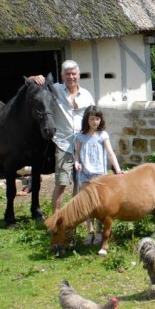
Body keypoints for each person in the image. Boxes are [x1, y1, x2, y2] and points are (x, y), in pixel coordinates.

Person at [28, 60, 95, 212]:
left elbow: (94, 118)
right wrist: (35, 77)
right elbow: (30, 82)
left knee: (81, 182)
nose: (71, 77)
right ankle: (56, 219)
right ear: (62, 75)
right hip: (64, 145)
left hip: (84, 144)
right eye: (67, 74)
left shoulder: (86, 95)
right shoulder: (55, 89)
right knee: (61, 183)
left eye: (74, 73)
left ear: (78, 75)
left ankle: (76, 216)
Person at [73, 106, 123, 248]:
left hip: (100, 175)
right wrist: (76, 163)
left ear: (100, 120)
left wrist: (118, 171)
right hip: (85, 175)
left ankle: (100, 231)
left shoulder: (103, 135)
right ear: (87, 120)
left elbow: (110, 153)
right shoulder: (80, 137)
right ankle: (90, 231)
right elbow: (76, 154)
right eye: (92, 119)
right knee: (87, 205)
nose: (95, 122)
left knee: (100, 205)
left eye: (97, 119)